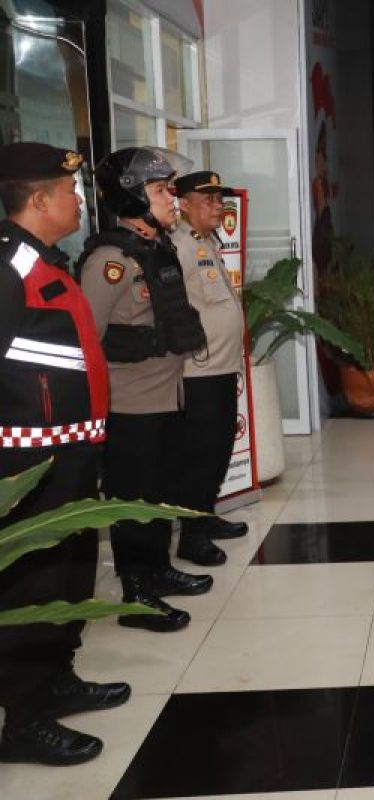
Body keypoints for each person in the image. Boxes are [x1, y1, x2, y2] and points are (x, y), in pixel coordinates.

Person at [0, 142, 130, 767]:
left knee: (72, 570)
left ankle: (58, 677)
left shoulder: (47, 260)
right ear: (40, 199)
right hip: (28, 465)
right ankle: (25, 717)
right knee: (34, 584)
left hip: (71, 451)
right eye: (70, 191)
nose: (78, 200)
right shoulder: (6, 268)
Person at [79, 147, 212, 632]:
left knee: (157, 494)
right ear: (132, 197)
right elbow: (87, 338)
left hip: (166, 397)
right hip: (131, 405)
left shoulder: (157, 248)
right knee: (133, 501)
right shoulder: (110, 261)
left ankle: (157, 569)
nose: (170, 199)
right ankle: (137, 592)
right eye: (159, 191)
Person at [168, 171, 249, 568]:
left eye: (220, 200)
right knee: (200, 453)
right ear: (183, 203)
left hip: (220, 366)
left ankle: (206, 515)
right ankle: (191, 537)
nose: (218, 207)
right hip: (198, 371)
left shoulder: (204, 242)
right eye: (209, 201)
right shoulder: (179, 246)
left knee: (218, 449)